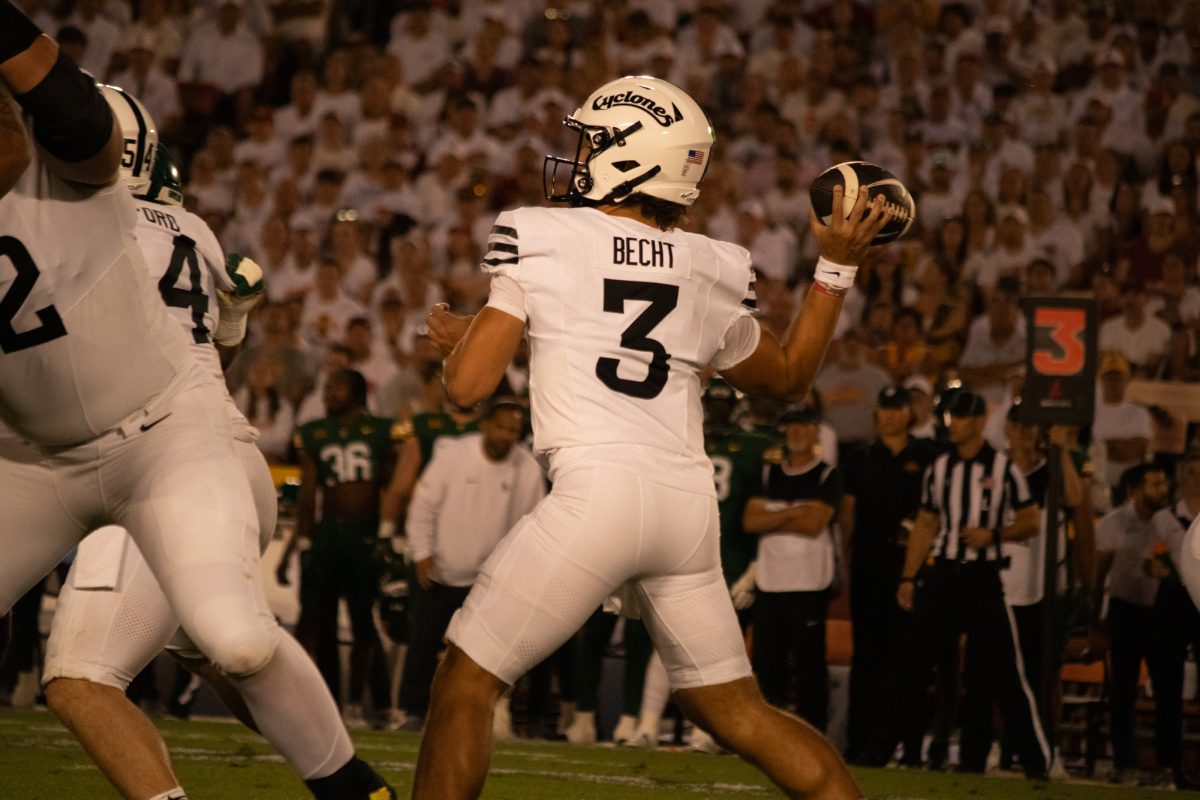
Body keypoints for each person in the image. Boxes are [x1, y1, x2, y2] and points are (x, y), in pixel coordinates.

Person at [416, 75, 892, 800]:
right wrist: (839, 264)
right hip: (684, 508)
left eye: (593, 144)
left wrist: (470, 339)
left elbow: (467, 389)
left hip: (596, 498)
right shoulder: (711, 263)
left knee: (466, 680)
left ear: (630, 155)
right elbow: (788, 377)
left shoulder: (540, 233)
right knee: (734, 710)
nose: (578, 159)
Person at [0, 12, 394, 800]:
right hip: (37, 461)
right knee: (169, 663)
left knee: (226, 646)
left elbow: (75, 123)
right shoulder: (198, 231)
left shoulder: (79, 180)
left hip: (165, 437)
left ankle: (359, 791)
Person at [865, 391, 1049, 778]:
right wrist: (909, 576)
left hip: (982, 576)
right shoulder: (940, 468)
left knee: (1003, 671)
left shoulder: (1003, 469)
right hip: (944, 574)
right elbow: (927, 524)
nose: (953, 424)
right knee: (911, 663)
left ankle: (1035, 763)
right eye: (950, 417)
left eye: (961, 417)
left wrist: (993, 536)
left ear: (980, 421)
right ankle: (878, 752)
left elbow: (1032, 521)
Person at [397, 397, 545, 732]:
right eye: (501, 426)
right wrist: (421, 551)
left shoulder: (527, 469)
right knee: (423, 642)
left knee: (490, 652)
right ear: (484, 424)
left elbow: (530, 524)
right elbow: (424, 505)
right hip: (441, 570)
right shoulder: (454, 455)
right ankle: (413, 712)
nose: (507, 435)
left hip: (491, 581)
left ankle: (488, 716)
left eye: (513, 430)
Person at [278, 368, 399, 728]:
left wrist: (390, 535)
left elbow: (390, 485)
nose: (328, 392)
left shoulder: (380, 430)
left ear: (357, 393)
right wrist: (300, 542)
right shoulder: (313, 433)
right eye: (327, 386)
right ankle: (332, 704)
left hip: (366, 535)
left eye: (337, 386)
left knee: (365, 622)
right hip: (328, 535)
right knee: (323, 624)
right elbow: (309, 492)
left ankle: (369, 703)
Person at [840, 386, 940, 762]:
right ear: (877, 414)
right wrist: (844, 559)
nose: (892, 415)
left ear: (908, 414)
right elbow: (848, 515)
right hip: (868, 567)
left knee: (909, 660)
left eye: (898, 408)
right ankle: (860, 746)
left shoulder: (929, 455)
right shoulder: (859, 459)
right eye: (886, 408)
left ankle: (911, 747)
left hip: (912, 569)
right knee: (866, 660)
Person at [743, 403, 843, 731]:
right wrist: (794, 512)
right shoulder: (768, 472)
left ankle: (815, 734)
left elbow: (816, 523)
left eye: (803, 426)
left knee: (809, 668)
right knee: (768, 664)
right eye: (791, 426)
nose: (797, 432)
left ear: (816, 431)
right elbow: (750, 520)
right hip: (771, 583)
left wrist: (775, 515)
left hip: (809, 584)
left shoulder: (828, 475)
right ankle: (773, 734)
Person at [1095, 464, 1194, 788]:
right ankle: (1124, 762)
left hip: (1163, 615)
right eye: (1154, 484)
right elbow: (1099, 574)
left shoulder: (1170, 523)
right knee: (1123, 691)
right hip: (1126, 611)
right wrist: (1097, 618)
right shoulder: (1114, 523)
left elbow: (1181, 566)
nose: (1162, 489)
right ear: (1136, 489)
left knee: (1168, 691)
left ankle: (1170, 766)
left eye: (1164, 482)